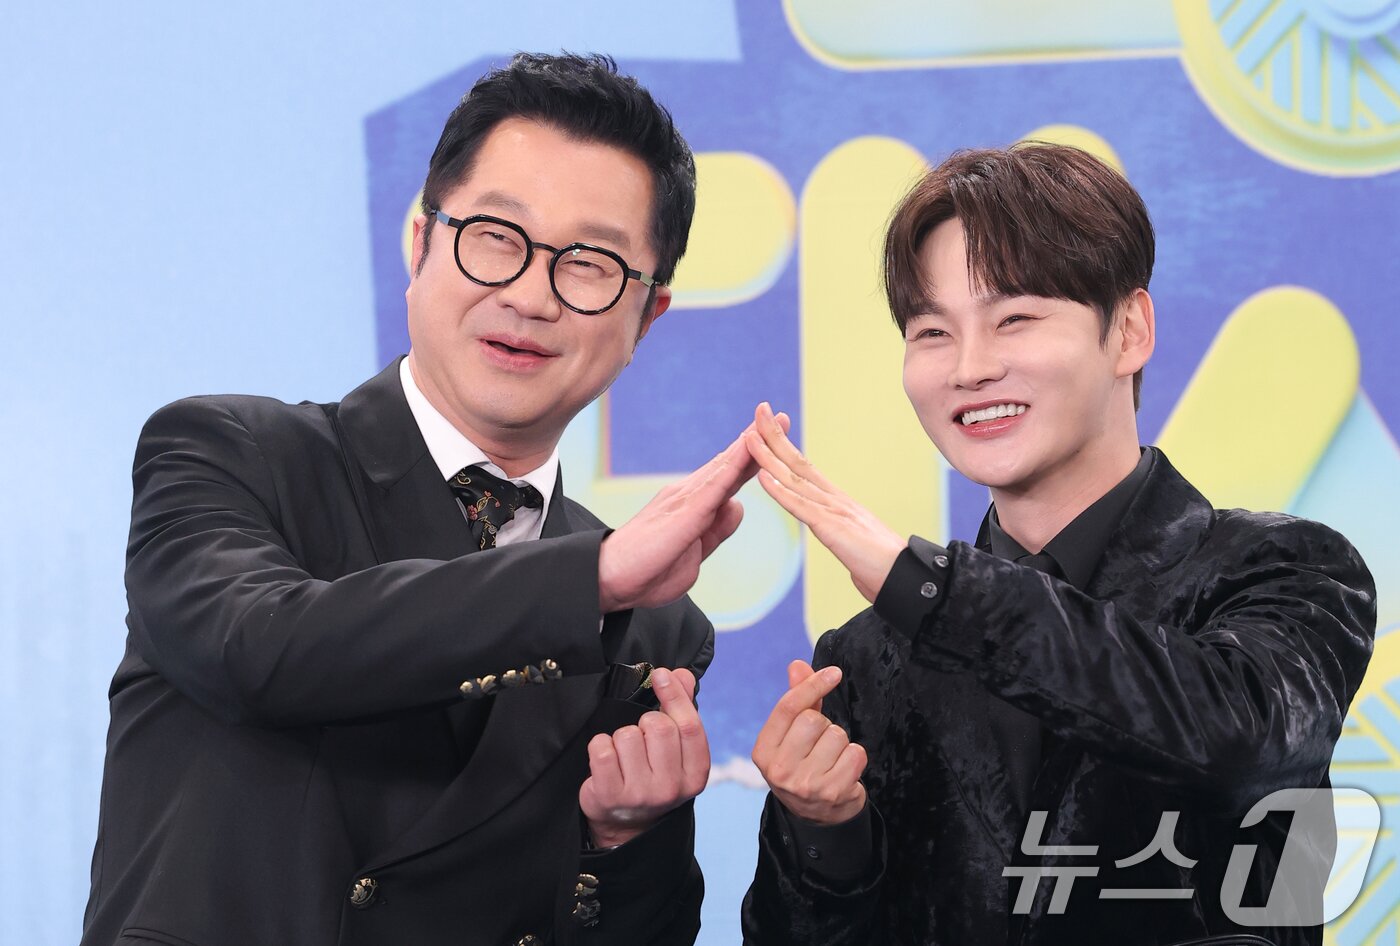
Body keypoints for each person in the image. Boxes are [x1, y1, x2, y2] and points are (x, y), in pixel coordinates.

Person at [82, 53, 755, 946]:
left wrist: (625, 842)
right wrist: (586, 581)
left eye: (590, 263)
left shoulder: (658, 632)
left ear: (647, 317)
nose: (530, 294)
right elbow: (263, 650)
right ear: (420, 243)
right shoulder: (228, 452)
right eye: (497, 236)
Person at [740, 144, 1375, 945]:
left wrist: (933, 590)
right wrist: (825, 835)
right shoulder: (867, 658)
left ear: (1129, 331)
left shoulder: (1287, 571)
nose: (970, 368)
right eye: (932, 332)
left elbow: (1244, 743)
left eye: (1014, 319)